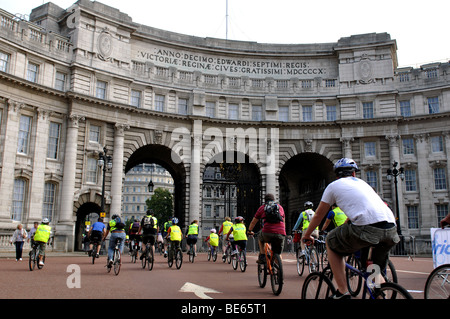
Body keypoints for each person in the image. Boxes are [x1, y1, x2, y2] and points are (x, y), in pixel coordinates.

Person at [302, 158, 399, 299]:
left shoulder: (333, 186)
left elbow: (318, 215)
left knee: (331, 241)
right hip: (391, 229)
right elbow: (367, 209)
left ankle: (342, 291)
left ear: (337, 176)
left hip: (367, 228)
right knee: (373, 269)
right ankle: (379, 293)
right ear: (354, 174)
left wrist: (307, 235)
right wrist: (349, 221)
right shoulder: (364, 184)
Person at [248, 194, 286, 264]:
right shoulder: (280, 207)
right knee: (277, 253)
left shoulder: (262, 208)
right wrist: (283, 231)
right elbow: (283, 221)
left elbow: (253, 222)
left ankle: (262, 255)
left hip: (267, 232)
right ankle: (279, 271)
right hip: (280, 232)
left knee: (260, 238)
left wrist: (249, 230)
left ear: (264, 200)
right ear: (274, 199)